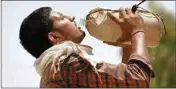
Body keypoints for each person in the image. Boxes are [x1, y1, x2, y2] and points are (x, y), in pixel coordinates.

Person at [19, 7, 154, 88]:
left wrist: (128, 42)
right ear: (54, 37)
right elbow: (138, 80)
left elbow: (123, 85)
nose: (71, 17)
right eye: (62, 17)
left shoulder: (55, 69)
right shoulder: (66, 64)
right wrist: (137, 30)